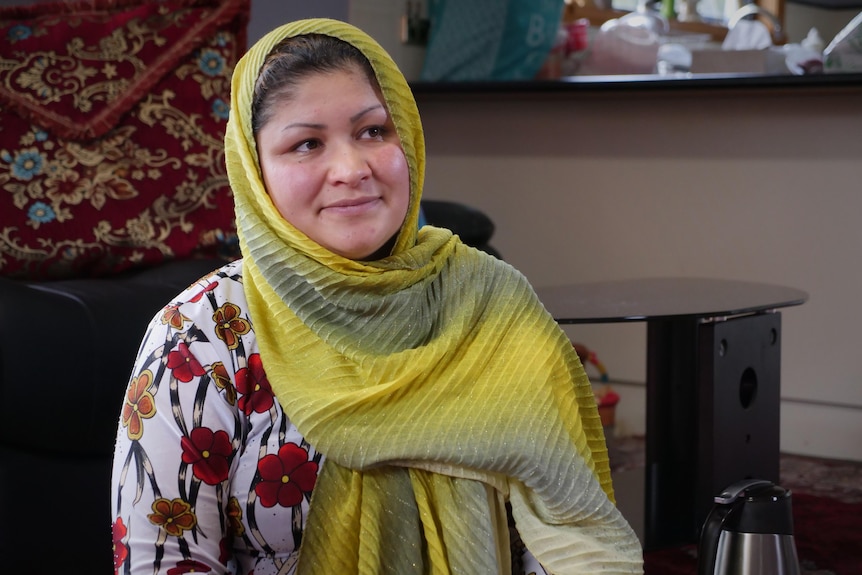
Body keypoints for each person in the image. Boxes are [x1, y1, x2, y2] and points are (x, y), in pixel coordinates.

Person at [110, 18, 643, 575]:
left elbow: (572, 529)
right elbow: (166, 562)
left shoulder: (492, 302)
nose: (352, 168)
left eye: (372, 132)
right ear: (255, 174)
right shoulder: (203, 335)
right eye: (306, 143)